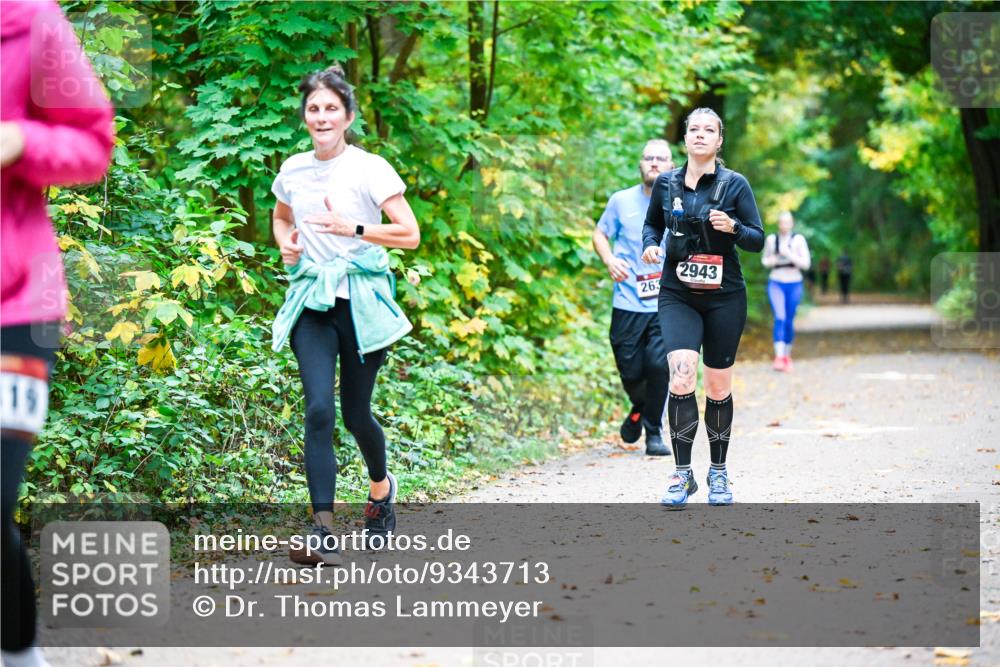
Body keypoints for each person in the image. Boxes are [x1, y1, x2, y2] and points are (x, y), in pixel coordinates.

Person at [1, 2, 115, 665]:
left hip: (16, 304)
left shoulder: (31, 21)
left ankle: (18, 653)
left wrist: (21, 140)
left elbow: (92, 142)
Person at [270, 65, 420, 565]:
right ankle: (322, 531)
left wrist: (352, 227)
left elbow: (409, 234)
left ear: (348, 116)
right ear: (304, 117)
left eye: (331, 108)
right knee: (317, 410)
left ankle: (380, 491)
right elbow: (281, 214)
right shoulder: (292, 169)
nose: (322, 116)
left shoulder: (370, 167)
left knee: (356, 414)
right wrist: (286, 244)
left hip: (360, 302)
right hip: (312, 301)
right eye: (314, 109)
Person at [641, 108, 764, 509]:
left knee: (717, 387)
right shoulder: (666, 184)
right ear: (685, 138)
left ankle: (718, 471)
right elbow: (652, 226)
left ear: (719, 141)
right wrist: (650, 245)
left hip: (725, 296)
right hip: (677, 293)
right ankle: (681, 475)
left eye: (708, 130)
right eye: (693, 129)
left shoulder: (735, 185)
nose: (700, 135)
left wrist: (734, 228)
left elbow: (757, 239)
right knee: (681, 376)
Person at [592, 140, 674, 456]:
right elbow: (599, 234)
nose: (654, 163)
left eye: (661, 158)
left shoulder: (680, 203)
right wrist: (610, 260)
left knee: (658, 365)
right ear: (640, 164)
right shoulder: (620, 201)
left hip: (666, 303)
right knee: (630, 370)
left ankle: (654, 432)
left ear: (671, 166)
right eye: (648, 158)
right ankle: (639, 406)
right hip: (627, 301)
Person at [762, 211, 811, 372]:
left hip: (794, 283)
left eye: (788, 222)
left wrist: (789, 254)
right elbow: (765, 261)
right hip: (776, 282)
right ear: (778, 224)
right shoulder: (771, 240)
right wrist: (773, 260)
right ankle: (779, 356)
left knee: (789, 320)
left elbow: (806, 264)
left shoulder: (798, 240)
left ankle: (787, 356)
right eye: (782, 222)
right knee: (780, 317)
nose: (785, 225)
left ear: (792, 223)